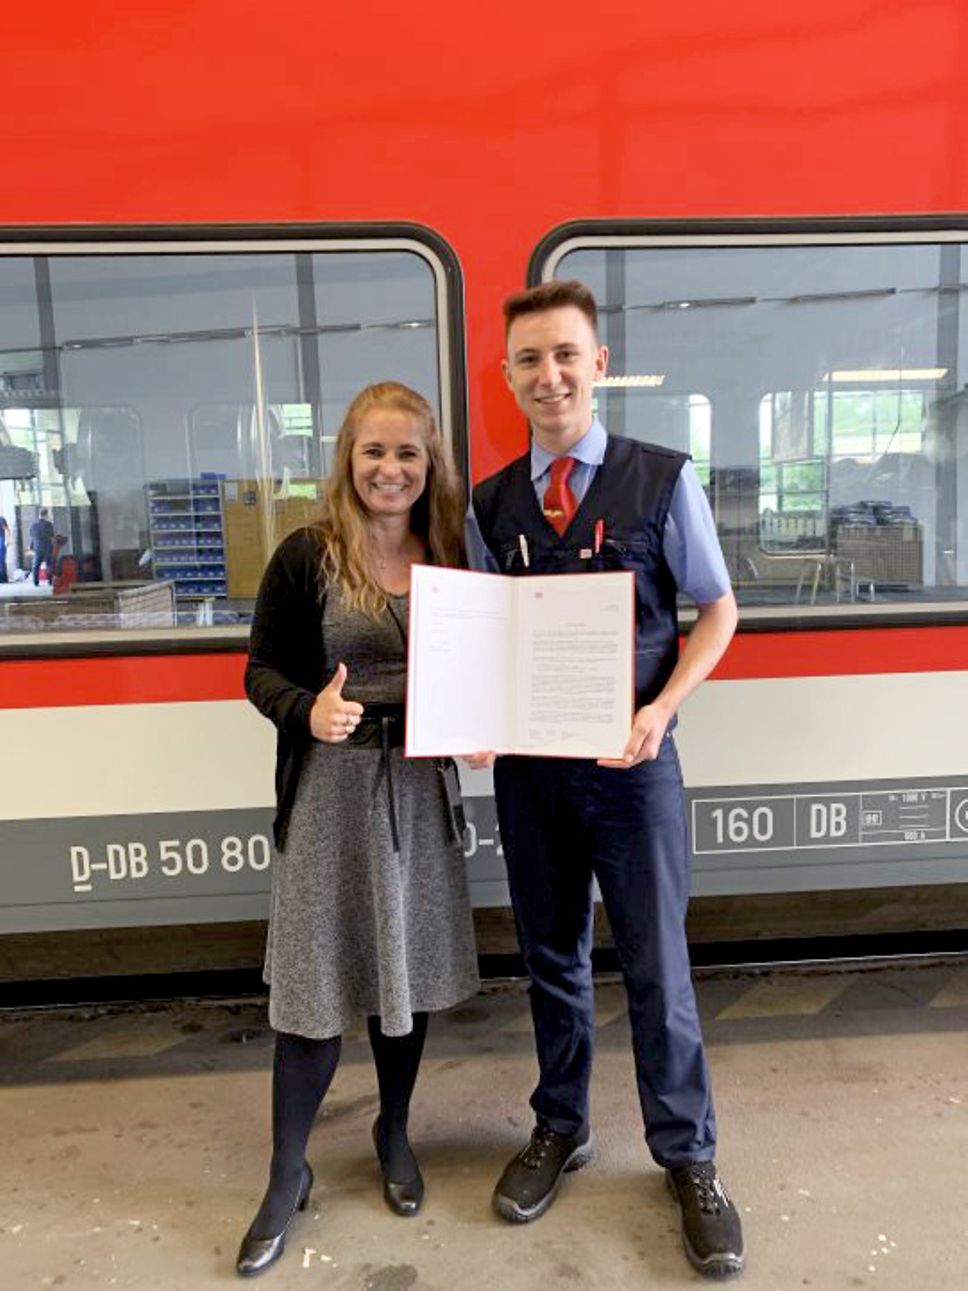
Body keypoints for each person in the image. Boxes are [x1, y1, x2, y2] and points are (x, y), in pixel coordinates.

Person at [465, 281, 744, 1279]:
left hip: (632, 769)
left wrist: (659, 709)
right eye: (529, 360)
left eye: (565, 355)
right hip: (532, 777)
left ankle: (689, 1158)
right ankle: (560, 1127)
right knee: (549, 958)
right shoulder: (488, 504)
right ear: (506, 377)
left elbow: (714, 610)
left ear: (599, 363)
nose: (548, 375)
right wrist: (472, 721)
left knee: (657, 967)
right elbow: (481, 639)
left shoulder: (661, 480)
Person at [238, 381, 479, 1278]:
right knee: (310, 994)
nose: (390, 468)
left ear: (429, 464)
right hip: (330, 794)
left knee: (398, 979)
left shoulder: (450, 552)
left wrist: (484, 724)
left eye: (408, 452)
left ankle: (393, 1129)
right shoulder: (308, 553)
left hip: (417, 792)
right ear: (348, 456)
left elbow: (480, 664)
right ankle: (284, 1169)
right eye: (374, 451)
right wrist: (307, 712)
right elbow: (258, 670)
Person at [29, 508, 54, 586]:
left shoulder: (33, 525)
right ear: (46, 515)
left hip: (37, 547)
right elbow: (51, 536)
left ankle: (36, 582)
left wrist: (31, 546)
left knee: (36, 565)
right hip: (47, 546)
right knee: (49, 564)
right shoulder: (49, 524)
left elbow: (32, 537)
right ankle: (50, 581)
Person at [0, 514, 9, 583]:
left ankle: (3, 578)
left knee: (1, 559)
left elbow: (6, 529)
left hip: (1, 539)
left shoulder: (1, 519)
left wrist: (7, 540)